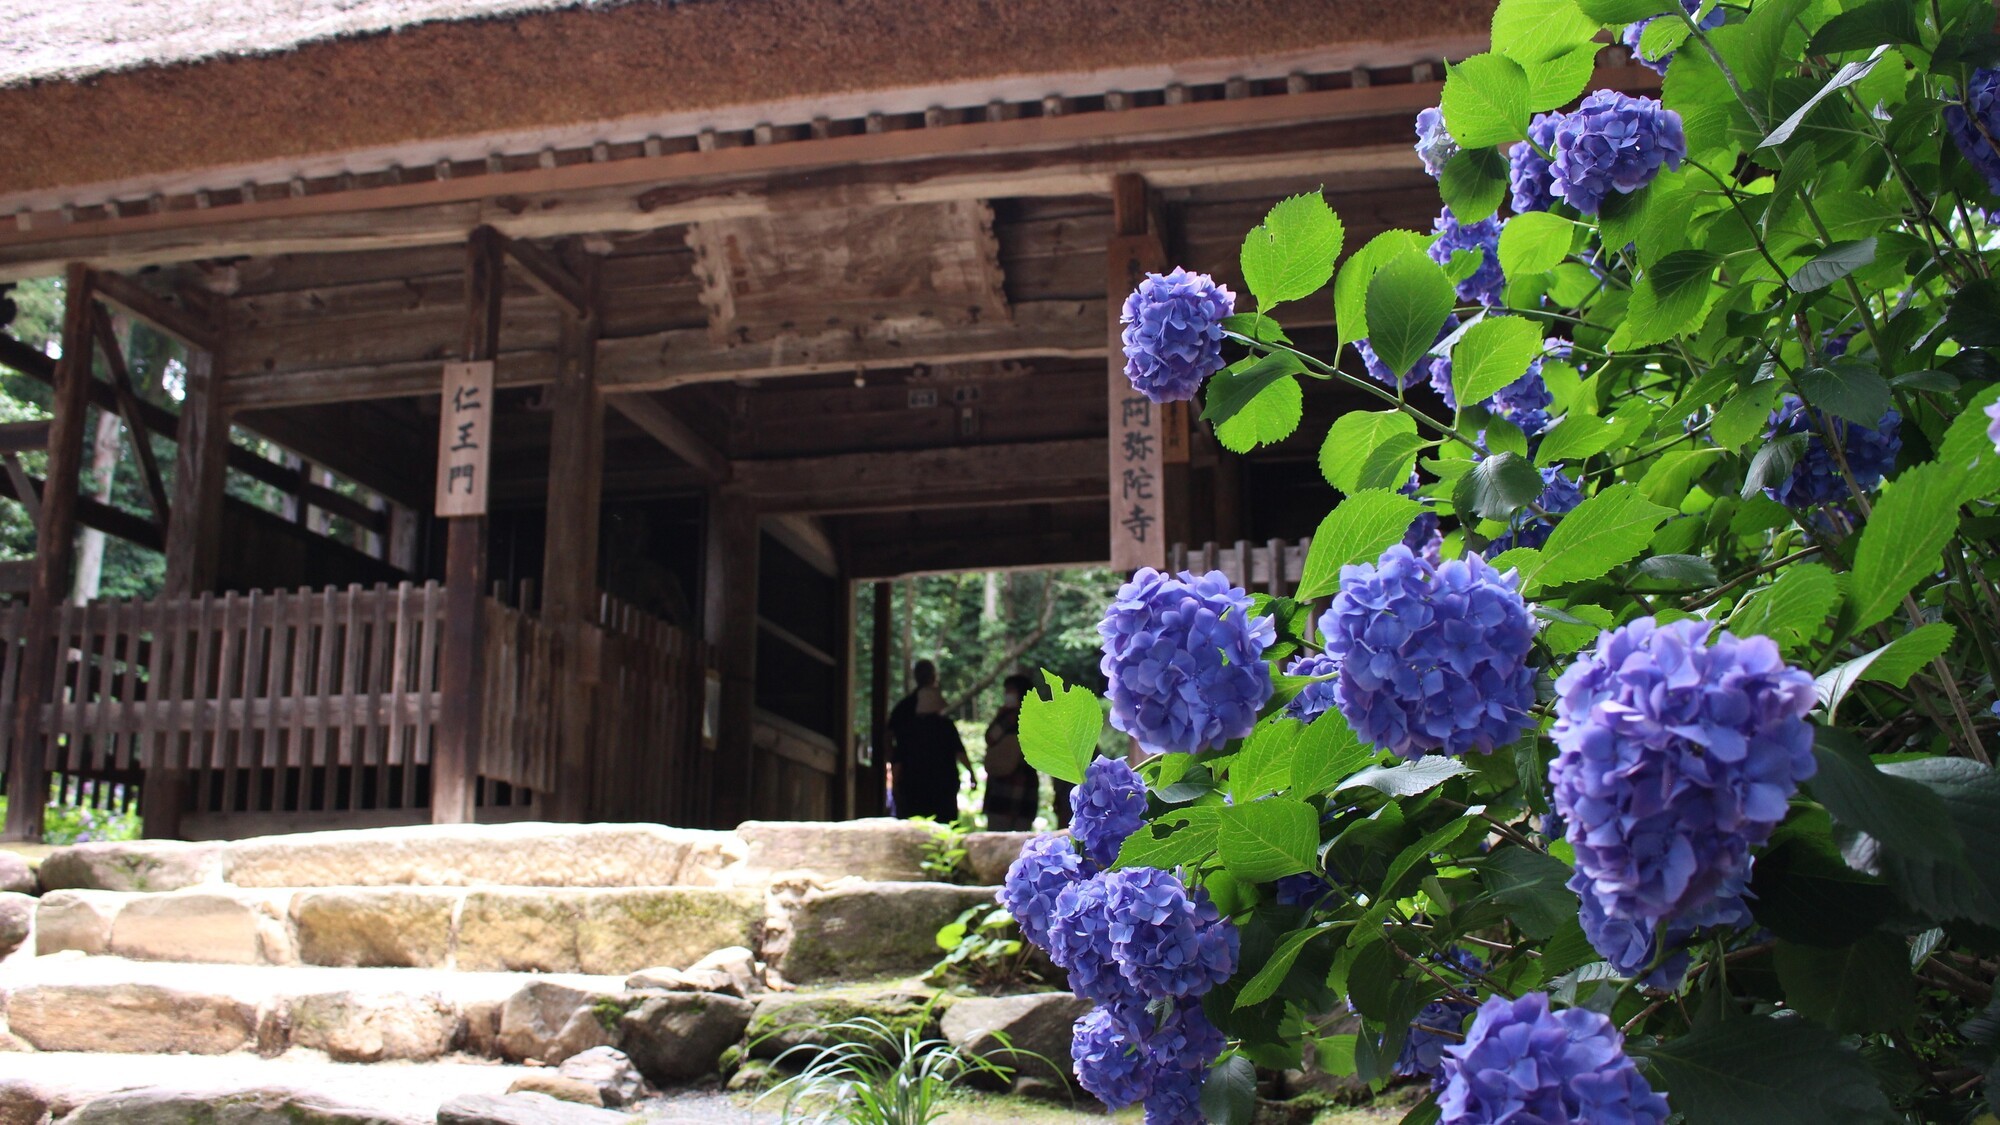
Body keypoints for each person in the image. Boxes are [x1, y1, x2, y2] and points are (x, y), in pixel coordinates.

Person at [885, 659, 969, 823]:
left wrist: (895, 776)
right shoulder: (945, 726)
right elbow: (960, 752)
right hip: (941, 786)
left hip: (912, 784)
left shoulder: (904, 713)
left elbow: (892, 744)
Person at [981, 673, 1039, 831]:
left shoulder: (1010, 717)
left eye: (1010, 691)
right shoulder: (1037, 717)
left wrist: (1000, 715)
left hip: (1003, 791)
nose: (1007, 694)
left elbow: (990, 737)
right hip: (1026, 792)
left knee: (997, 843)